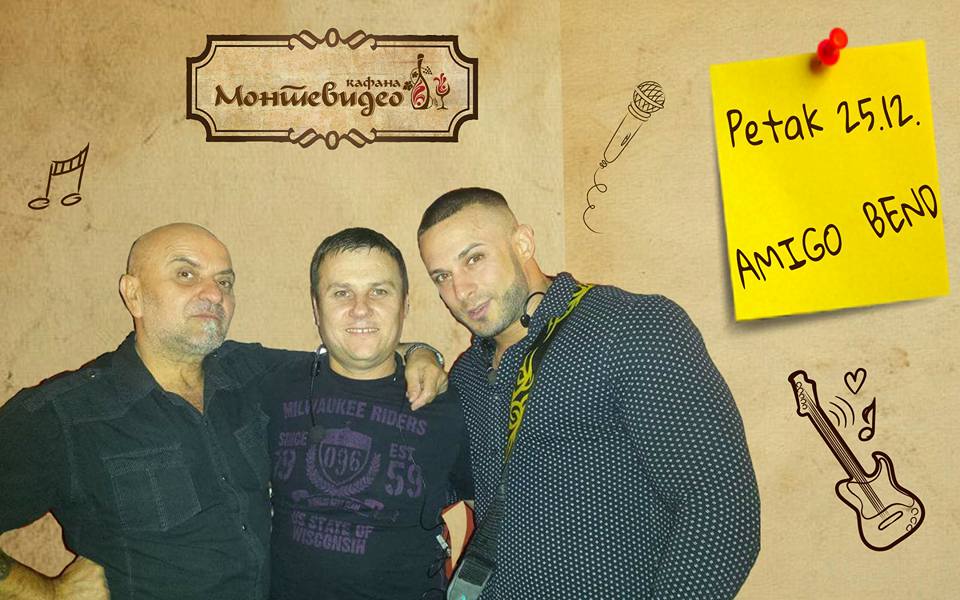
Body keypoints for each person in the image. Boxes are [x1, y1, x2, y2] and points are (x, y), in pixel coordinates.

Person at [0, 223, 445, 600]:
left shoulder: (247, 371)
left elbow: (353, 348)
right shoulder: (65, 414)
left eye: (225, 281)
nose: (213, 293)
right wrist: (47, 592)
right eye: (185, 274)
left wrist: (421, 352)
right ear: (133, 294)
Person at [417, 188, 761, 599]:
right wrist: (414, 352)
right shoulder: (468, 375)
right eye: (442, 277)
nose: (461, 290)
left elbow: (721, 508)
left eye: (474, 259)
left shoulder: (629, 327)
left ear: (522, 243)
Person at [259, 228, 472, 600]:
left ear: (405, 305)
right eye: (341, 292)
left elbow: (487, 513)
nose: (361, 308)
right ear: (316, 308)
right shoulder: (272, 385)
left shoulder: (447, 403)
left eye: (379, 291)